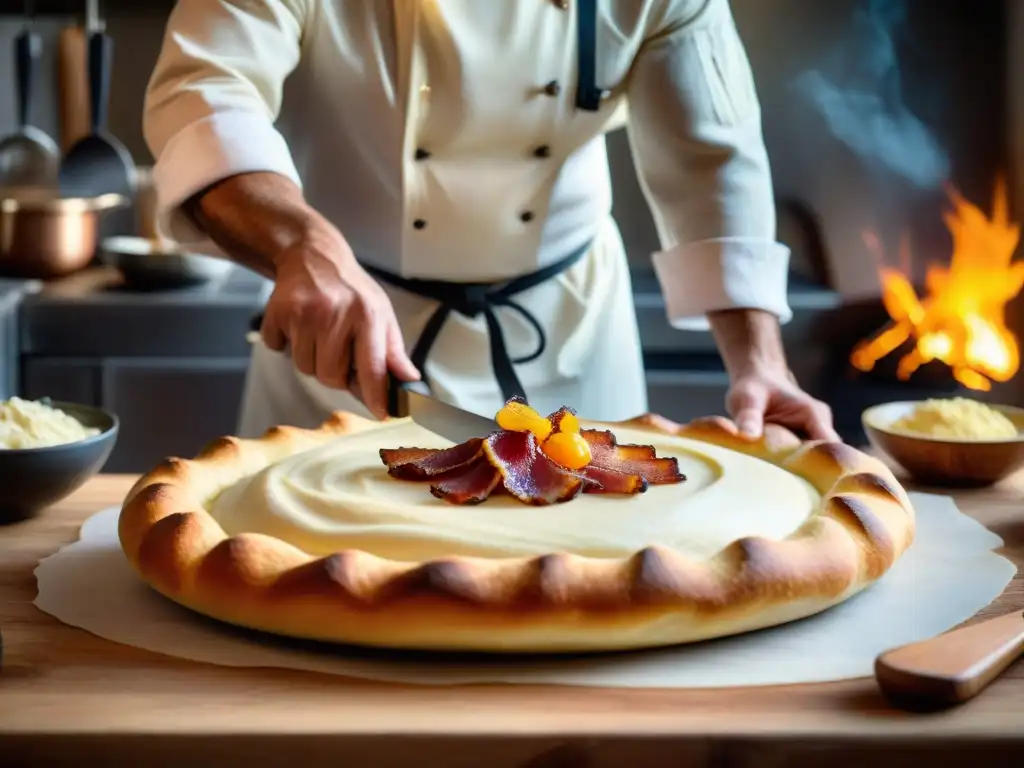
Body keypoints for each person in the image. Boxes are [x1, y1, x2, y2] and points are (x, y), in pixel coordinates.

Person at [142, 0, 838, 442]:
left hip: (572, 341)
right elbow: (205, 95)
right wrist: (303, 245)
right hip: (343, 334)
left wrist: (761, 364)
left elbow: (713, 157)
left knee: (588, 580)